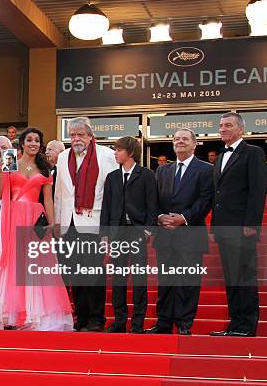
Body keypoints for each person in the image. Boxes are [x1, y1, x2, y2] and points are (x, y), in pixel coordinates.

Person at [0, 127, 74, 331]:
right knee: (11, 266)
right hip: (11, 217)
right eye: (29, 140)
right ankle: (8, 314)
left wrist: (52, 224)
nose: (33, 144)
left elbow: (48, 199)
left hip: (34, 219)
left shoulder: (45, 167)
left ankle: (33, 315)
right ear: (21, 143)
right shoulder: (9, 160)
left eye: (37, 141)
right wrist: (0, 172)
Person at [147, 128, 213, 335]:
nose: (180, 142)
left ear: (194, 144)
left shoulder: (205, 169)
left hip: (190, 234)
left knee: (189, 282)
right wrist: (159, 217)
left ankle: (185, 324)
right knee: (165, 281)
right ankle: (164, 323)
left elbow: (205, 199)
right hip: (165, 234)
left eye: (185, 139)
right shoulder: (163, 170)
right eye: (176, 139)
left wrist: (184, 218)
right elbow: (153, 199)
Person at [54, 117, 117, 332]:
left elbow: (111, 193)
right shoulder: (63, 157)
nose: (76, 138)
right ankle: (81, 316)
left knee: (93, 273)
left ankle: (96, 319)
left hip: (93, 221)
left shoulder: (106, 155)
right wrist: (58, 223)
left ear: (91, 136)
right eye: (72, 134)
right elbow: (59, 193)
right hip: (68, 224)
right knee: (74, 273)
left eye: (80, 134)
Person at [210, 112, 267, 338]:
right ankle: (235, 324)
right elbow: (218, 194)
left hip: (243, 226)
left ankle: (246, 326)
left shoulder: (253, 153)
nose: (222, 129)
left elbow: (257, 190)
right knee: (232, 277)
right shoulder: (221, 155)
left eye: (228, 125)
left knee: (244, 276)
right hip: (224, 227)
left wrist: (251, 224)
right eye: (221, 125)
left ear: (240, 129)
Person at [100, 136, 157, 333]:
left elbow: (152, 204)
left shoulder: (147, 175)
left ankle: (137, 323)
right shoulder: (112, 177)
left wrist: (149, 229)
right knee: (118, 278)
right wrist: (105, 235)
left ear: (130, 153)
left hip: (137, 231)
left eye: (119, 149)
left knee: (139, 279)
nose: (115, 153)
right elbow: (106, 207)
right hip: (117, 232)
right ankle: (119, 321)